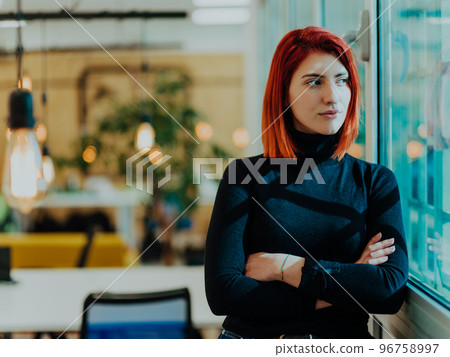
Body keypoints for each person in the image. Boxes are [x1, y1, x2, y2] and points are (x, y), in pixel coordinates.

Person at [204, 26, 408, 339]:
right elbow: (224, 294)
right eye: (314, 82)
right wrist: (345, 282)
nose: (332, 96)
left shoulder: (375, 181)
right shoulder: (244, 177)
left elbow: (387, 292)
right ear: (283, 92)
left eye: (342, 80)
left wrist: (284, 266)